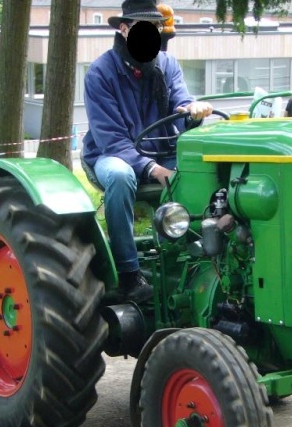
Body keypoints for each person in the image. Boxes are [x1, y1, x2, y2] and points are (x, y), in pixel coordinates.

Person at [82, 0, 213, 302]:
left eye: (155, 28)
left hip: (161, 149)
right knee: (119, 177)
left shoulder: (167, 64)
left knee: (200, 170)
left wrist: (191, 110)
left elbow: (180, 102)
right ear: (125, 30)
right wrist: (152, 168)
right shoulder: (100, 73)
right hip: (110, 153)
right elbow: (112, 140)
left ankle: (195, 256)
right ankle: (128, 274)